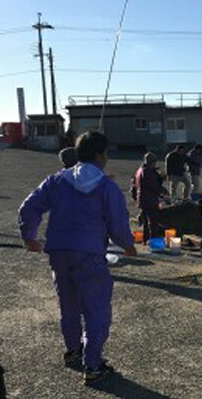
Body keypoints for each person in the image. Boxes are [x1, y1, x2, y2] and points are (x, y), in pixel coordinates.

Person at [18, 131, 137, 385]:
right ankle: (92, 365)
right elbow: (118, 224)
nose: (107, 158)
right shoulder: (107, 187)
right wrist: (128, 246)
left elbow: (29, 207)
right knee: (96, 311)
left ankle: (73, 351)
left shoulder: (57, 180)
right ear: (99, 154)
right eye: (106, 153)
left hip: (59, 253)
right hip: (90, 256)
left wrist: (29, 236)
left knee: (68, 305)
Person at [133, 152, 168, 243]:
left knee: (145, 221)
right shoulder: (148, 172)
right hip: (150, 200)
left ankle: (146, 239)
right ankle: (154, 240)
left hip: (142, 199)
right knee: (153, 222)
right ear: (152, 162)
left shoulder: (140, 170)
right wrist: (163, 191)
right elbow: (154, 186)